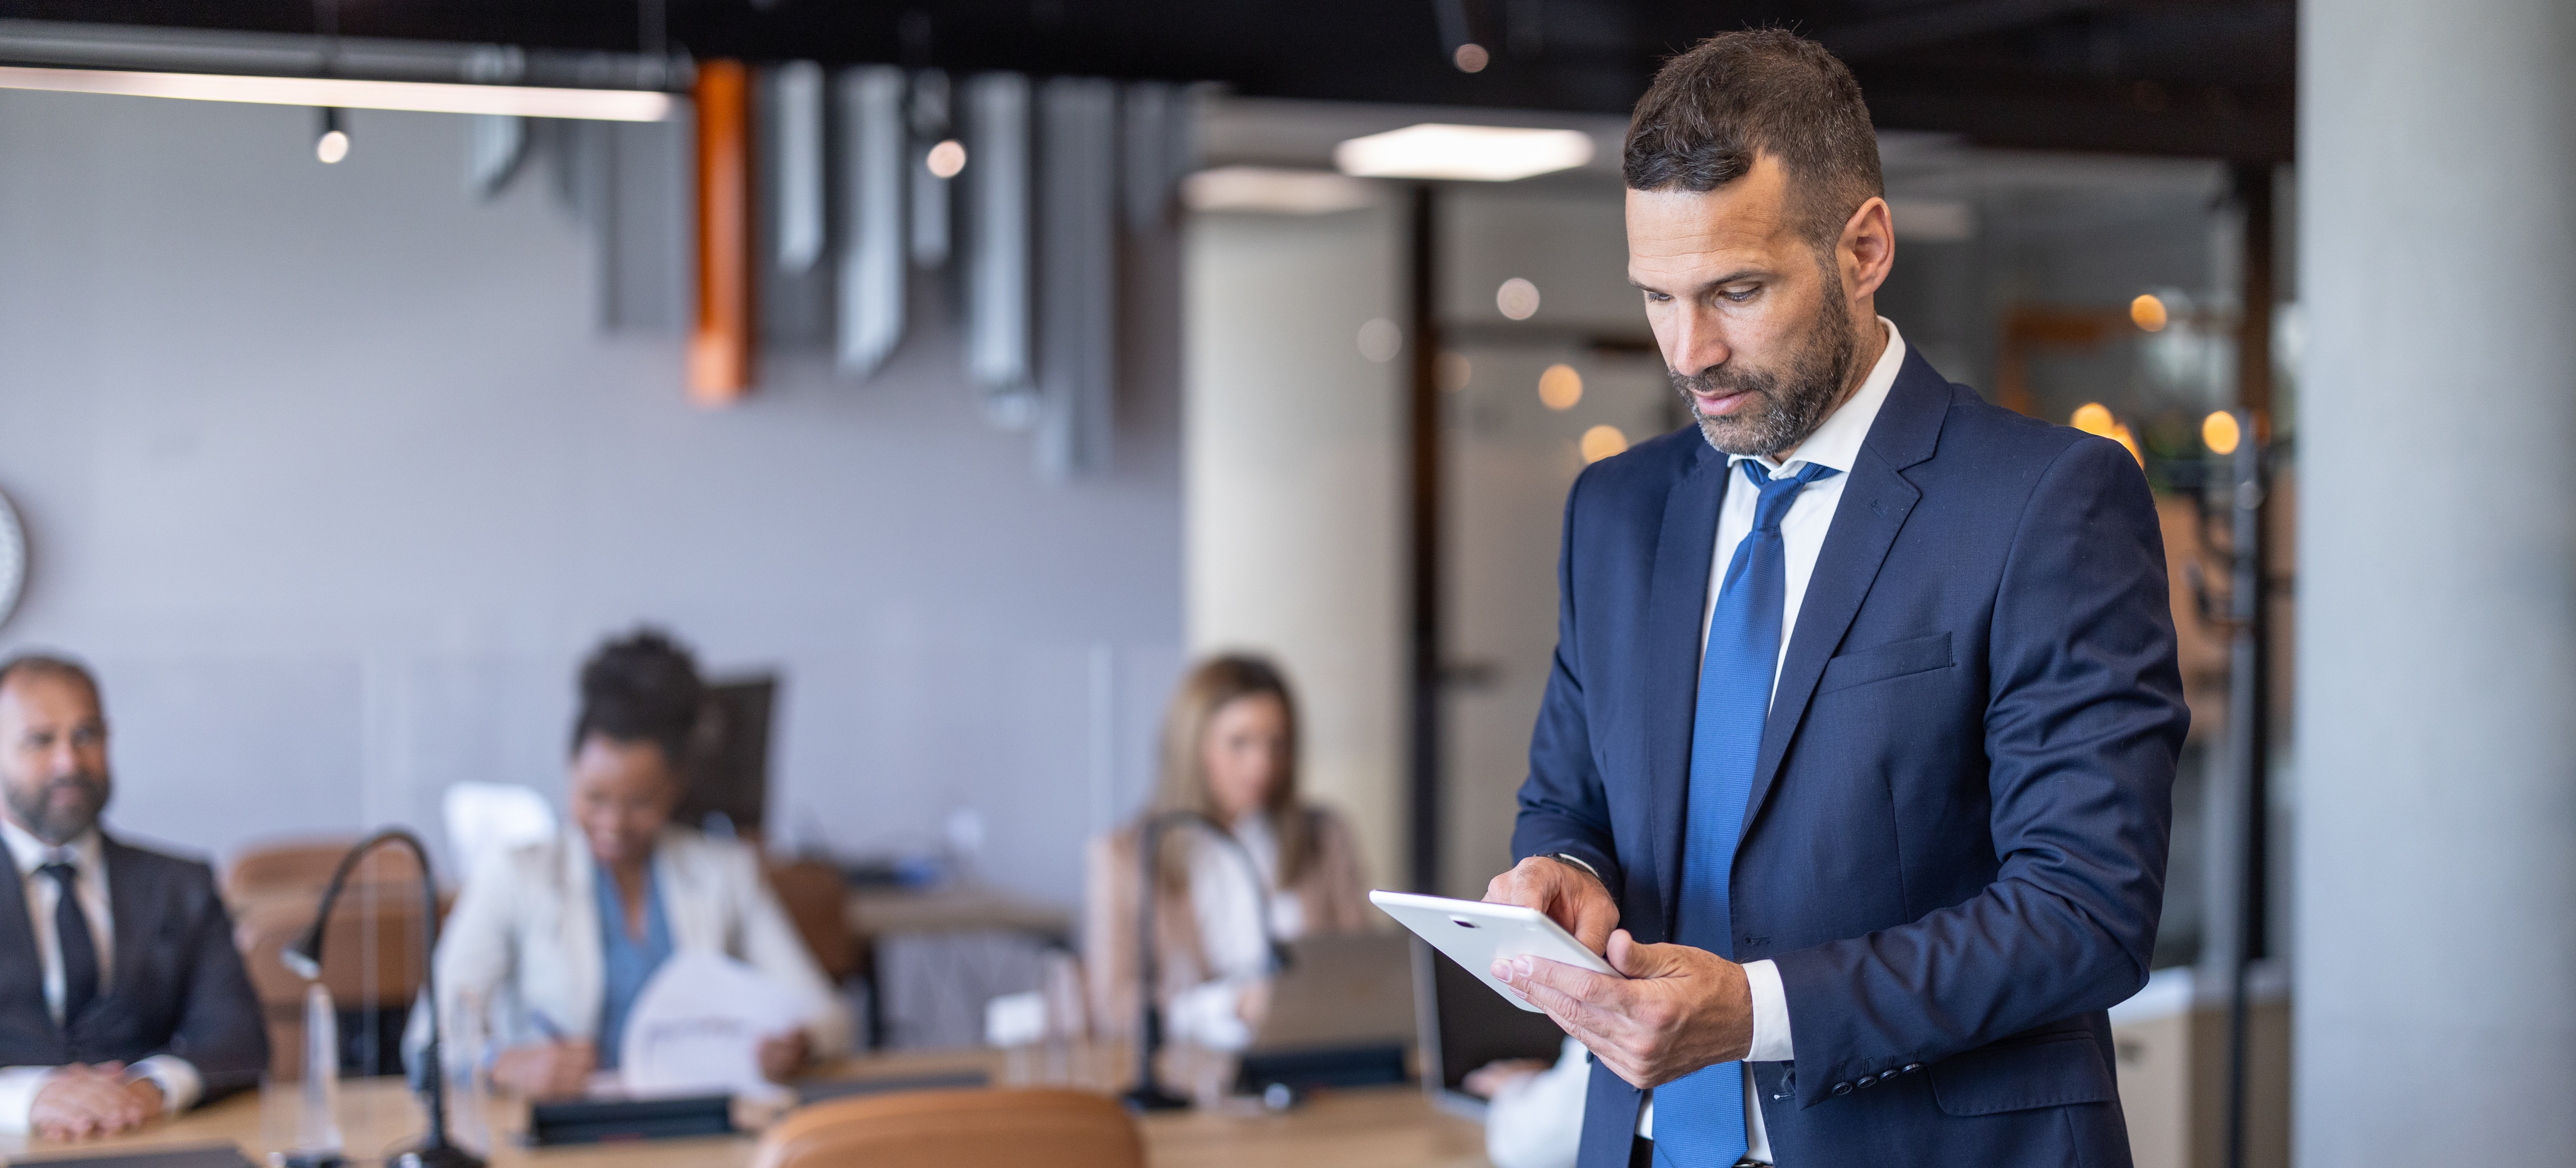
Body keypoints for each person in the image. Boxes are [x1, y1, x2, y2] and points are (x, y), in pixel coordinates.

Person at [1480, 30, 2188, 1168]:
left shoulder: (2044, 502)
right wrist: (1562, 874)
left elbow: (2084, 911)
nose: (1688, 349)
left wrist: (1754, 1011)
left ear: (1863, 248)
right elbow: (1566, 802)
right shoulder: (1611, 515)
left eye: (1735, 291)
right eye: (1656, 296)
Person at [432, 630, 850, 1097]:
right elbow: (430, 1038)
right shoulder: (513, 875)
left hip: (694, 1128)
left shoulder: (726, 872)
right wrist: (504, 1065)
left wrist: (799, 1043)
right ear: (570, 767)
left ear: (678, 785)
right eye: (594, 797)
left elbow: (827, 1015)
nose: (612, 823)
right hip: (563, 1138)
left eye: (640, 803)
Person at [0, 655, 267, 1140]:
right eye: (41, 740)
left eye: (86, 736)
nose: (70, 762)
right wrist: (27, 1098)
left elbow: (238, 1038)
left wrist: (152, 1087)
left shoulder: (181, 884)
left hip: (149, 1143)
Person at [1084, 655, 1370, 1050]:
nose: (1262, 764)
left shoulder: (1323, 836)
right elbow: (1114, 1006)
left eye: (1278, 744)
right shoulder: (1127, 855)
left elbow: (1364, 970)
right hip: (1196, 1071)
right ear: (1194, 747)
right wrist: (1228, 1004)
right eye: (1239, 743)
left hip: (1313, 1059)